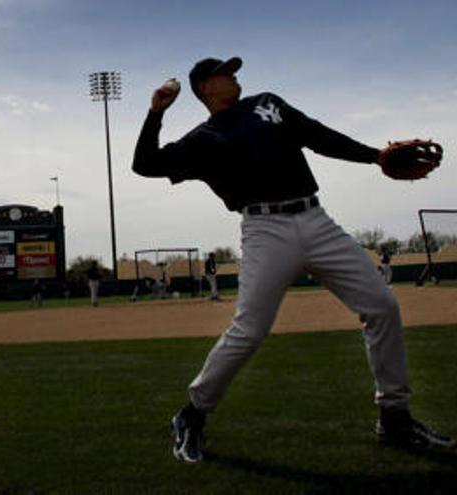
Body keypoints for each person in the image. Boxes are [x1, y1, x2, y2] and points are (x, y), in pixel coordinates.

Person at [132, 56, 454, 463]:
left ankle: (395, 418)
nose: (234, 75)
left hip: (316, 220)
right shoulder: (203, 138)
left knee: (382, 305)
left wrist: (374, 156)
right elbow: (144, 164)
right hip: (265, 231)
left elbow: (319, 136)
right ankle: (192, 414)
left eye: (234, 70)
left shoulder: (268, 103)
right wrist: (156, 112)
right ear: (204, 89)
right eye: (224, 72)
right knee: (249, 330)